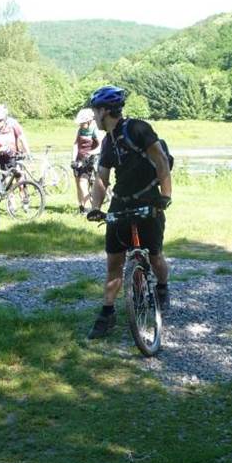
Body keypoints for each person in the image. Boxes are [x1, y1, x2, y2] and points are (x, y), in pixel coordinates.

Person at [85, 86, 173, 338]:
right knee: (114, 262)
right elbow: (102, 178)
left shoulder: (138, 129)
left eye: (95, 111)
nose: (93, 116)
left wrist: (165, 195)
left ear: (105, 111)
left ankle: (162, 288)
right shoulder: (107, 142)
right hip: (121, 203)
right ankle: (107, 312)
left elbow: (161, 160)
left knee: (155, 257)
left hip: (149, 199)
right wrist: (95, 208)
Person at [71, 107, 102, 214]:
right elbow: (76, 144)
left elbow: (100, 146)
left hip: (89, 160)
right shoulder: (80, 130)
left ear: (89, 121)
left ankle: (89, 208)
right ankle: (81, 207)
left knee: (82, 182)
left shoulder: (94, 129)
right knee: (77, 183)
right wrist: (73, 159)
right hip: (79, 159)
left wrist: (90, 153)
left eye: (82, 123)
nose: (80, 125)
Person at [0, 104, 29, 171]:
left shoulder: (13, 125)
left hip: (15, 156)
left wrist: (27, 152)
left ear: (4, 119)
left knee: (18, 174)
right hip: (3, 158)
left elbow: (21, 138)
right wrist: (3, 149)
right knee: (5, 176)